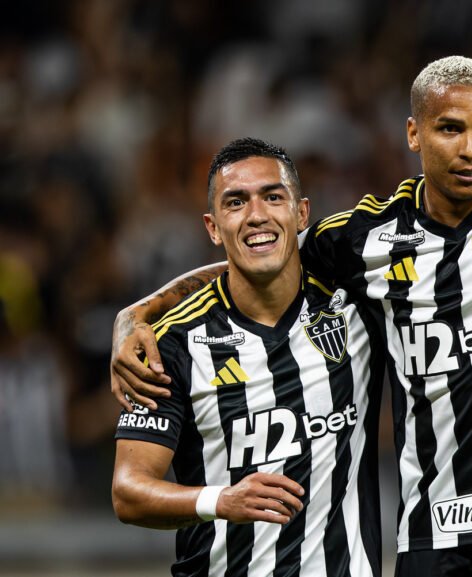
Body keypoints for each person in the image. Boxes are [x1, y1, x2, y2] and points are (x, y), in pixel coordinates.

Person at [112, 22, 472, 577]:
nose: (470, 149)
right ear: (414, 134)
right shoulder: (362, 239)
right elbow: (263, 254)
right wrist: (138, 314)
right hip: (433, 548)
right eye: (451, 129)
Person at [112, 138, 391, 577]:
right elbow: (129, 492)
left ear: (301, 213)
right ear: (212, 227)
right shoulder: (172, 344)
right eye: (236, 202)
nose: (257, 215)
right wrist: (220, 500)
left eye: (273, 197)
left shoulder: (358, 304)